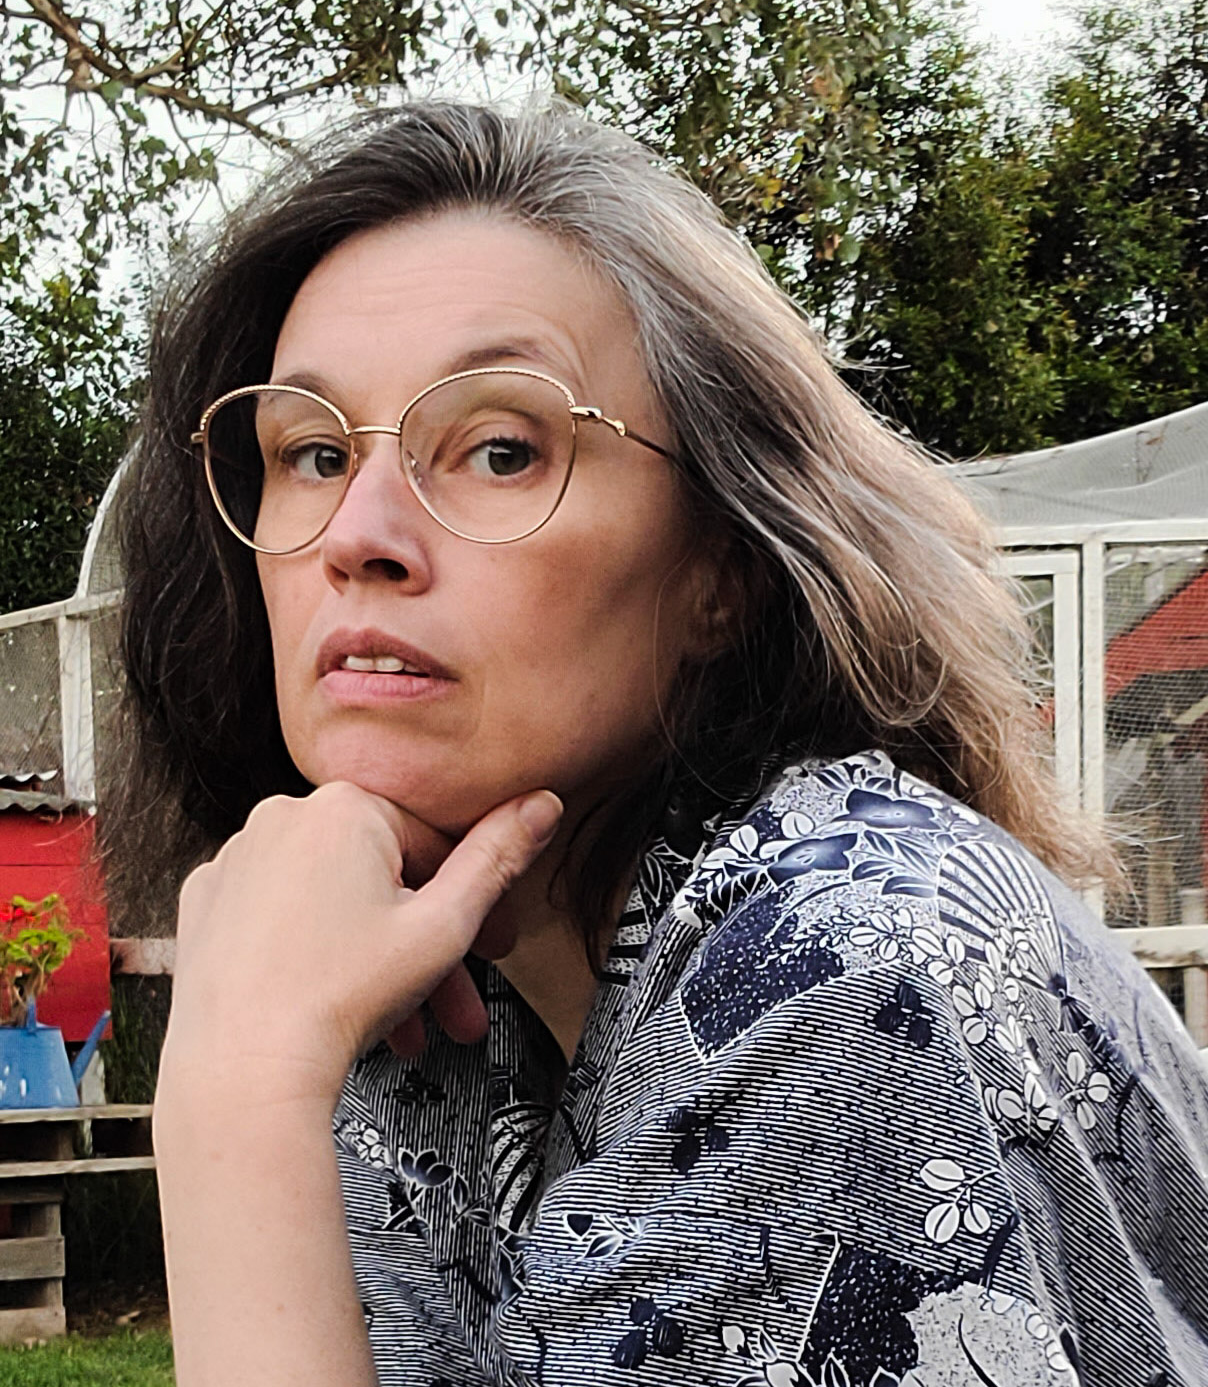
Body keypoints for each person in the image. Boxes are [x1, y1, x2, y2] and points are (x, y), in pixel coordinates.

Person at [108, 100, 1208, 1387]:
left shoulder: (839, 974)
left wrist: (234, 1100)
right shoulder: (410, 984)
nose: (357, 531)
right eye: (309, 450)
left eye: (500, 450)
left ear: (720, 568)